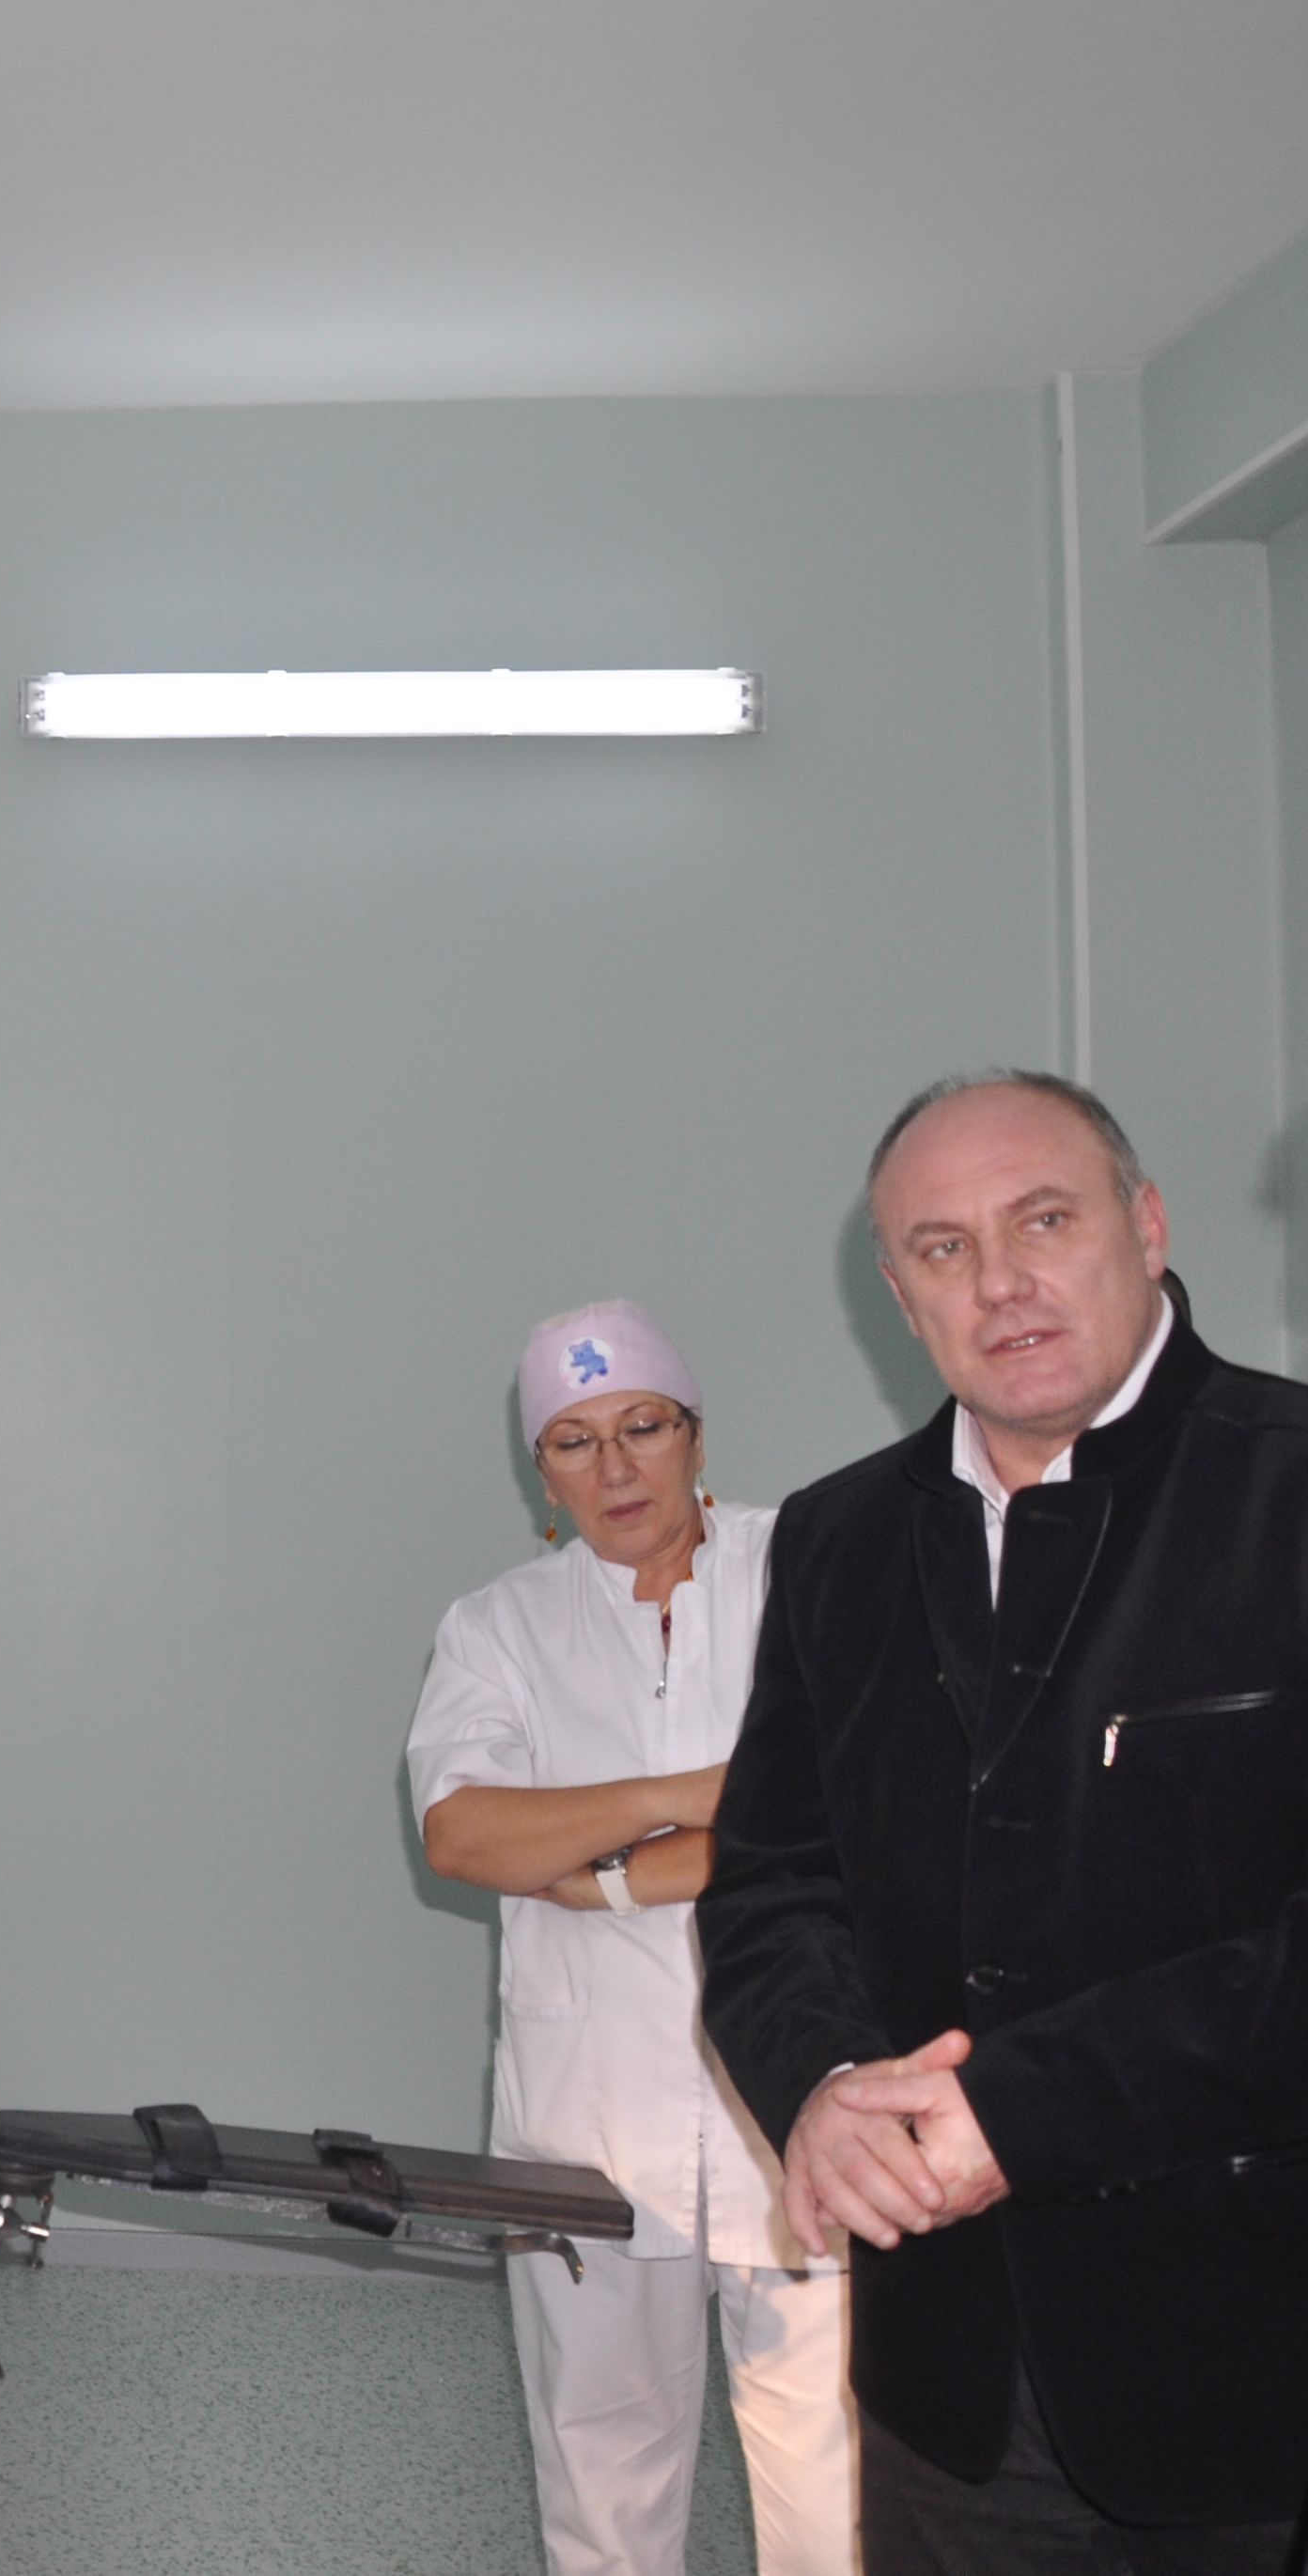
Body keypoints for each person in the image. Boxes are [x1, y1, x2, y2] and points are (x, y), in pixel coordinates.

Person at [698, 1071, 1308, 2572]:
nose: (1002, 1281)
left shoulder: (1286, 1487)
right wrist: (826, 2087)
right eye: (944, 1247)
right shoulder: (839, 1538)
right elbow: (774, 1884)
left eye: (1044, 1220)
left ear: (1146, 1225)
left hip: (1256, 2365)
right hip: (950, 2382)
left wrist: (1024, 2110)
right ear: (900, 1297)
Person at [409, 1300, 857, 2576]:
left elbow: (855, 1817)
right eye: (574, 1441)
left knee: (835, 2502)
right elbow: (465, 1835)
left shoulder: (809, 1569)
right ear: (539, 1473)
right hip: (588, 2125)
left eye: (643, 1427)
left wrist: (605, 1873)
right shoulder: (498, 1626)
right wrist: (695, 1790)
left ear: (696, 1434)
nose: (614, 1467)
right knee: (602, 2498)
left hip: (802, 2101)